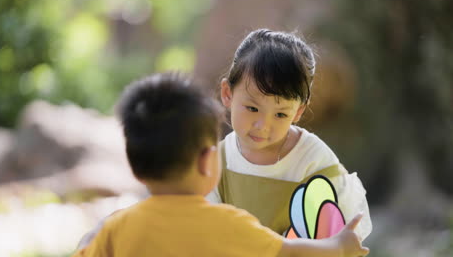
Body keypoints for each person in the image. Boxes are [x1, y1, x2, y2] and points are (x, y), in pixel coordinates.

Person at [72, 72, 369, 257]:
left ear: (136, 169)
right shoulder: (230, 224)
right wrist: (340, 246)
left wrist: (92, 234)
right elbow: (290, 253)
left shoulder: (117, 229)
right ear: (207, 162)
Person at [208, 29, 372, 239]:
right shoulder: (218, 160)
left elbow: (344, 229)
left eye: (280, 114)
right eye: (252, 108)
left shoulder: (312, 159)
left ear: (298, 112)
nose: (263, 126)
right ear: (227, 94)